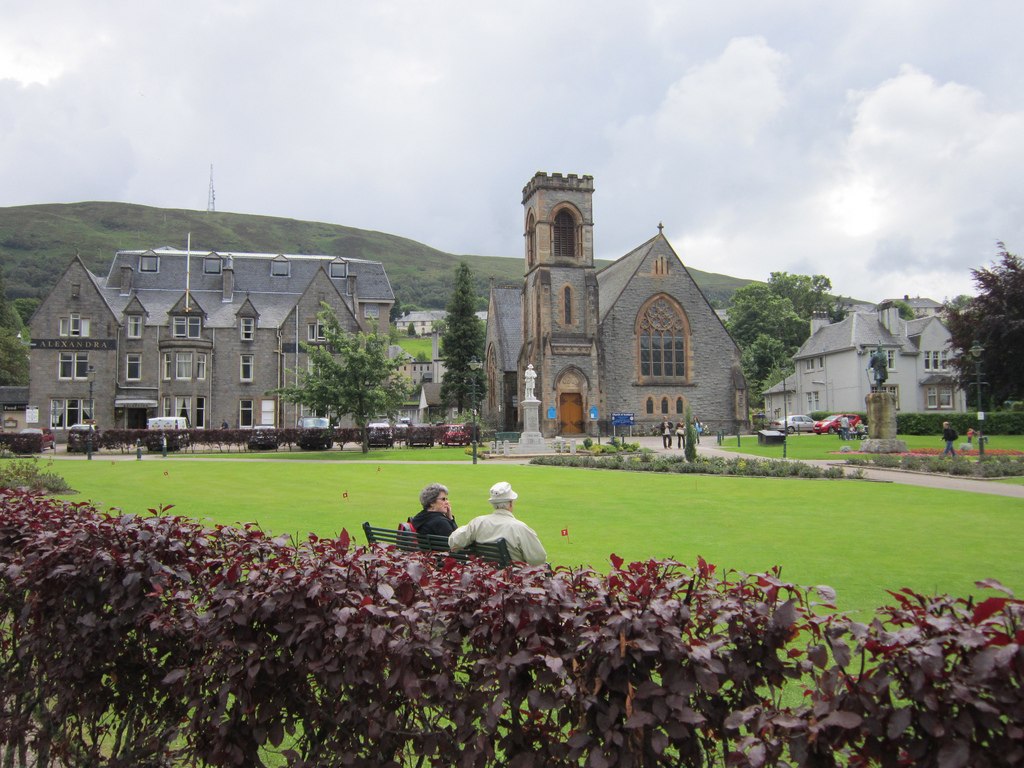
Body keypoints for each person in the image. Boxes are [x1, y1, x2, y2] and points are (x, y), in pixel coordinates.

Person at [448, 481, 547, 565]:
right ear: (511, 503)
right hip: (514, 580)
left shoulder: (478, 523)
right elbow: (538, 559)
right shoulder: (520, 528)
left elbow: (454, 541)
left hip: (486, 578)